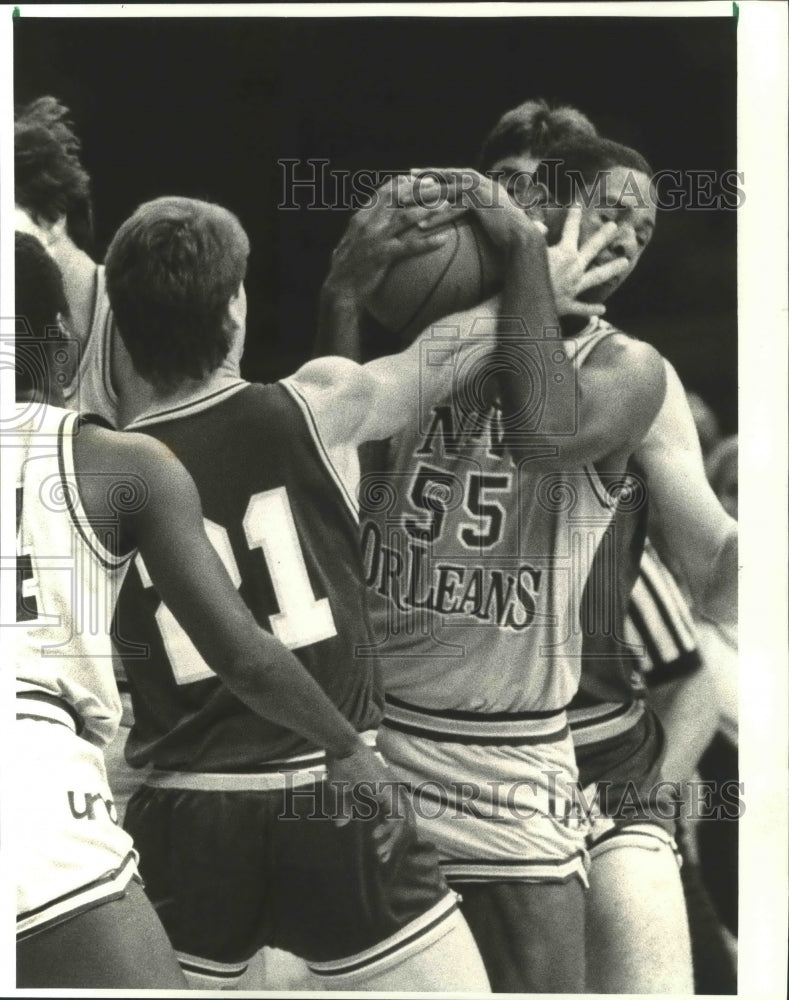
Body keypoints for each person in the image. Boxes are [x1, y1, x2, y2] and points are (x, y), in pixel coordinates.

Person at [104, 180, 568, 991]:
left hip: (189, 807)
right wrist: (534, 259)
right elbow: (449, 354)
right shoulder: (315, 405)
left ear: (122, 321)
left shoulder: (99, 475)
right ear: (235, 309)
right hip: (330, 783)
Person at [11, 232, 413, 989]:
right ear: (61, 343)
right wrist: (346, 746)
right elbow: (241, 654)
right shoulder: (113, 461)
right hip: (33, 790)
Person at [319, 130, 669, 992]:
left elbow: (540, 433)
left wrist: (518, 254)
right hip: (383, 742)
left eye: (645, 230)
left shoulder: (629, 369)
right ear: (547, 206)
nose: (627, 238)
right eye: (612, 212)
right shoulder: (443, 339)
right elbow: (334, 446)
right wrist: (343, 296)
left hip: (510, 766)